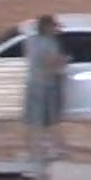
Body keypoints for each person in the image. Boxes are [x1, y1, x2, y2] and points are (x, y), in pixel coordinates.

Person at [23, 15, 67, 160]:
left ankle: (33, 150)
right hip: (47, 85)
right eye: (54, 26)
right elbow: (50, 63)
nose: (57, 29)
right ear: (48, 27)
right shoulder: (50, 43)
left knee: (34, 120)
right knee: (51, 120)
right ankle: (53, 149)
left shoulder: (31, 41)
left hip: (33, 83)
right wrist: (63, 61)